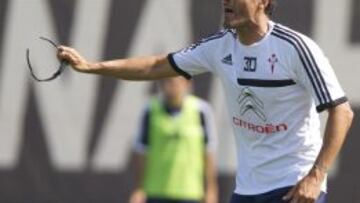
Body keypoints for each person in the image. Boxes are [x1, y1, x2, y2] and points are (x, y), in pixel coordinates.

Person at [57, 0, 354, 202]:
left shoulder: (296, 48)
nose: (225, 1)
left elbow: (342, 112)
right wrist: (92, 66)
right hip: (248, 189)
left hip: (295, 183)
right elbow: (154, 65)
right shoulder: (219, 46)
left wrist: (316, 176)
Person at [128, 77, 218, 203]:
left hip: (190, 193)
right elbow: (141, 152)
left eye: (177, 82)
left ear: (188, 83)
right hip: (156, 193)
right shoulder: (150, 109)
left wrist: (211, 190)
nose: (172, 86)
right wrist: (139, 188)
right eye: (168, 82)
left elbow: (208, 153)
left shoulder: (201, 111)